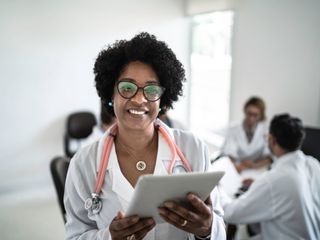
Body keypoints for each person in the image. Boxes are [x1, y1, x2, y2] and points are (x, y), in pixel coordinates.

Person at [64, 32, 226, 240]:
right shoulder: (83, 163)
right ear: (111, 94)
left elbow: (219, 227)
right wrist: (108, 237)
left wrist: (207, 229)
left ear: (163, 100)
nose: (139, 99)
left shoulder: (192, 148)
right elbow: (75, 235)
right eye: (127, 88)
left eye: (151, 90)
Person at [223, 114, 320, 239]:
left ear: (272, 140)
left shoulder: (273, 181)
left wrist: (219, 191)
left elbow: (231, 214)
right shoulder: (314, 164)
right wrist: (259, 184)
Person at [221, 96, 271, 173]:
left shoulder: (266, 129)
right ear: (245, 111)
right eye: (249, 114)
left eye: (255, 115)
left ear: (261, 115)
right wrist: (237, 166)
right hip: (237, 169)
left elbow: (269, 157)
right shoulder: (233, 129)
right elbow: (228, 154)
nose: (251, 118)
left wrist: (255, 165)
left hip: (258, 170)